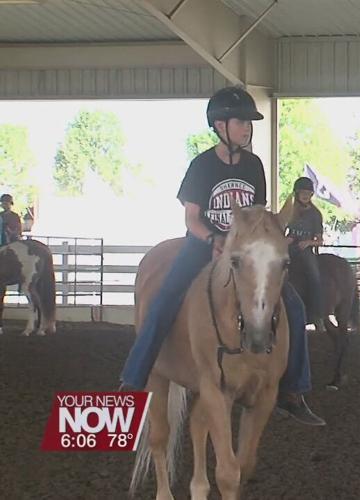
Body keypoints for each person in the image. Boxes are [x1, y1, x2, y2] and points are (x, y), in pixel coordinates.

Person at [119, 86, 325, 426]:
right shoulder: (201, 166)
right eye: (241, 121)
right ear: (219, 125)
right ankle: (133, 379)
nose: (247, 127)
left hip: (243, 251)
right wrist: (214, 238)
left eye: (249, 123)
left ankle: (292, 391)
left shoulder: (254, 166)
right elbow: (191, 218)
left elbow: (257, 215)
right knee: (166, 297)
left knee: (294, 305)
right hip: (203, 244)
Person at [287, 177, 325, 323]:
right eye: (302, 193)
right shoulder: (290, 212)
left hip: (305, 249)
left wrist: (308, 242)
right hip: (289, 247)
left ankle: (317, 313)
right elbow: (282, 230)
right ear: (296, 194)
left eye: (308, 193)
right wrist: (285, 240)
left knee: (314, 275)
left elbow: (319, 240)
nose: (305, 196)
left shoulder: (315, 214)